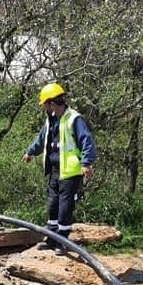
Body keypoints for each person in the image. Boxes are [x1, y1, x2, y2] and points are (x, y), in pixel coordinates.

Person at [22, 83, 96, 256]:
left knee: (65, 207)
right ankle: (51, 237)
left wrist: (86, 163)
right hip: (54, 170)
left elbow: (86, 141)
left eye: (45, 105)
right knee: (52, 205)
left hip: (69, 172)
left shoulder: (74, 119)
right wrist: (30, 152)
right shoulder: (51, 120)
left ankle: (62, 241)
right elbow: (42, 140)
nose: (44, 108)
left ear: (52, 103)